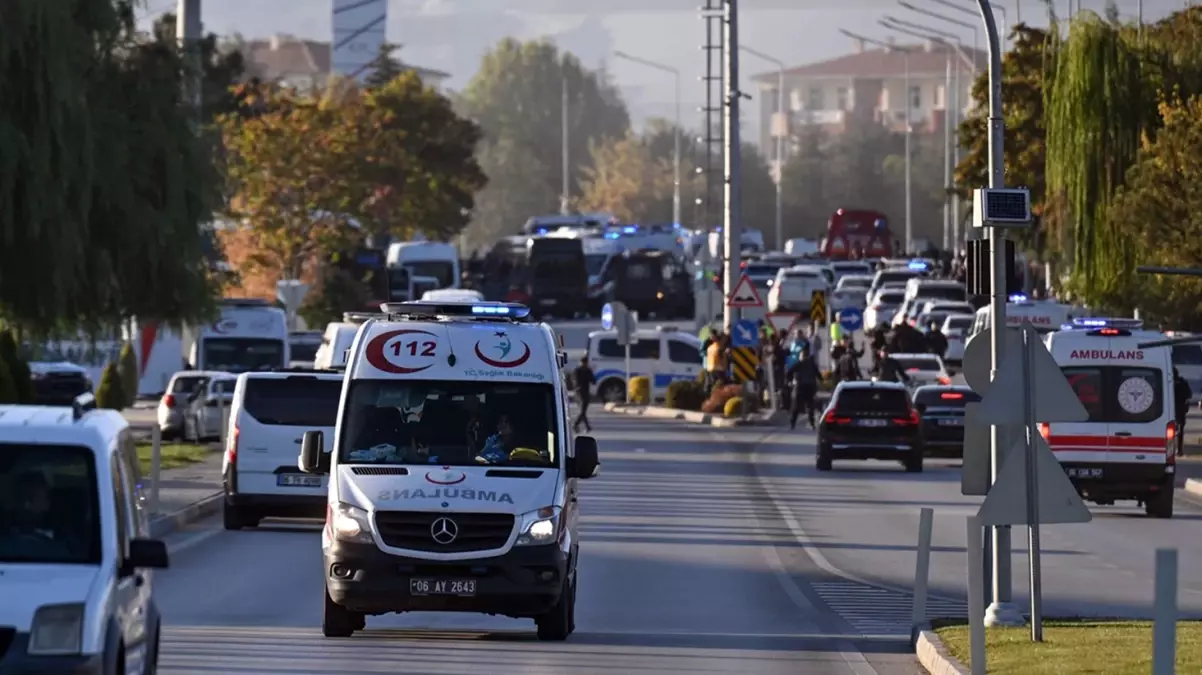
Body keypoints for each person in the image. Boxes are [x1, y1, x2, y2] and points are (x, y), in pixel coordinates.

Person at [786, 347, 822, 430]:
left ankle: (792, 423)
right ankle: (812, 424)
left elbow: (789, 372)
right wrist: (821, 382)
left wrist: (790, 381)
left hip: (800, 387)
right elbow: (818, 374)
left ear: (801, 356)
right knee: (810, 407)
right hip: (810, 387)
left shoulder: (799, 363)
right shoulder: (811, 363)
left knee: (796, 406)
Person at [573, 356, 595, 433]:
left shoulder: (588, 370)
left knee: (583, 411)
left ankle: (578, 426)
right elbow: (575, 381)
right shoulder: (578, 370)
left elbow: (593, 381)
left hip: (585, 393)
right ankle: (581, 426)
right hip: (579, 393)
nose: (584, 364)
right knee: (582, 411)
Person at [1174, 368, 1192, 457]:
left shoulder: (1168, 382)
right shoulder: (1183, 382)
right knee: (1180, 431)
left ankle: (1175, 449)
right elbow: (1189, 395)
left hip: (1171, 410)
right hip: (1181, 410)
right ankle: (1179, 450)